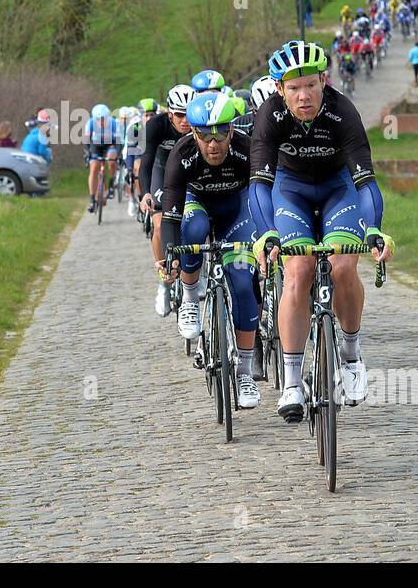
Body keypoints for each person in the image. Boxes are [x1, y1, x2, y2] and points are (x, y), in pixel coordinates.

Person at [248, 41, 393, 421]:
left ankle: (351, 354)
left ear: (324, 81)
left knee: (343, 267)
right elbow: (260, 186)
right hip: (290, 190)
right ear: (280, 89)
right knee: (298, 272)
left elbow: (365, 182)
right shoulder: (269, 116)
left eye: (310, 85)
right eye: (293, 88)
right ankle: (293, 382)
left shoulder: (342, 111)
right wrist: (266, 234)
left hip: (337, 189)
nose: (303, 95)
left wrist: (374, 229)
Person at [158, 92, 262, 409]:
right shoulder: (182, 153)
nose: (213, 143)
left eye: (220, 133)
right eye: (204, 134)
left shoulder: (246, 150)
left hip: (236, 214)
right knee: (193, 230)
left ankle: (244, 372)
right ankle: (190, 298)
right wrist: (170, 256)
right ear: (193, 133)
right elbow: (171, 214)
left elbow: (262, 196)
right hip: (197, 206)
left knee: (244, 284)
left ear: (232, 130)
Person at [139, 84, 194, 314]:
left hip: (190, 171)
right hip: (162, 171)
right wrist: (145, 194)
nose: (185, 120)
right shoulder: (155, 126)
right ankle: (164, 283)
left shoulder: (200, 123)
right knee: (160, 224)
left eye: (188, 114)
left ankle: (196, 273)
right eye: (179, 115)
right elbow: (146, 162)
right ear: (170, 114)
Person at [83, 103, 119, 213]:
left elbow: (118, 141)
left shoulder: (113, 123)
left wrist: (117, 153)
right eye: (99, 119)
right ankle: (92, 199)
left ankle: (111, 185)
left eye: (104, 119)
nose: (102, 122)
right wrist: (88, 152)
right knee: (94, 168)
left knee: (112, 161)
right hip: (96, 146)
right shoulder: (90, 123)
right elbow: (87, 141)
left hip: (110, 145)